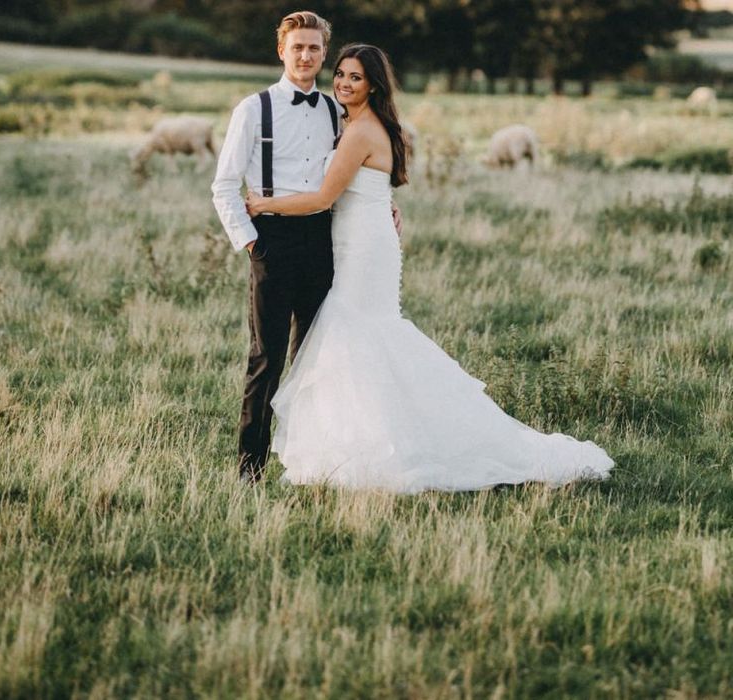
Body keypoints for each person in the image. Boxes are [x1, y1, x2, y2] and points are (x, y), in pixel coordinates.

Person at [244, 44, 614, 493]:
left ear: (374, 84)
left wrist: (265, 203)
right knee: (359, 337)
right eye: (340, 74)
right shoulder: (355, 123)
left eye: (355, 77)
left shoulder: (361, 131)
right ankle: (355, 444)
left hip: (362, 248)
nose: (343, 82)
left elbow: (324, 198)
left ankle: (381, 447)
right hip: (358, 239)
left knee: (358, 335)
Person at [211, 11, 403, 483]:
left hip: (325, 241)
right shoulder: (253, 109)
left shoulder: (338, 109)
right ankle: (249, 468)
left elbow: (358, 170)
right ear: (282, 50)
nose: (306, 55)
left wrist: (386, 206)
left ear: (323, 54)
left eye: (315, 48)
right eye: (297, 46)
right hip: (271, 242)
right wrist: (251, 242)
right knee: (266, 358)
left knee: (320, 357)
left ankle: (310, 459)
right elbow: (224, 185)